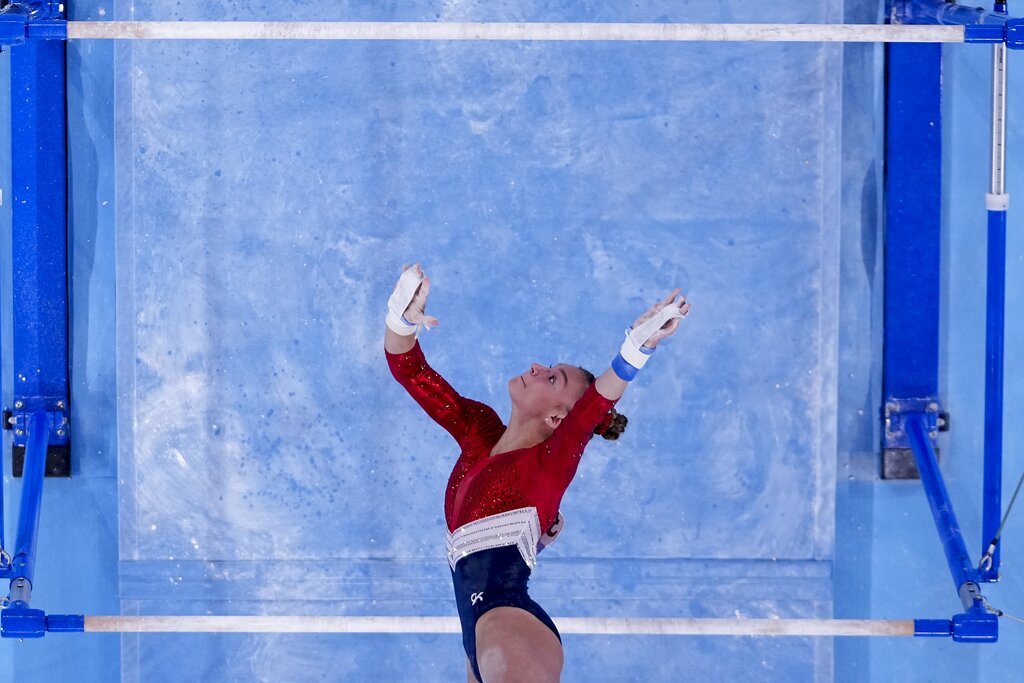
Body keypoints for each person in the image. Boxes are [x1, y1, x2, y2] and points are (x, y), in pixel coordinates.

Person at [384, 263, 690, 683]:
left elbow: (589, 414)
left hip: (506, 623)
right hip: (481, 635)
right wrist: (400, 317)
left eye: (551, 377)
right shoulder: (479, 430)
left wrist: (636, 347)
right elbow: (412, 371)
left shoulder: (551, 461)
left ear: (555, 417)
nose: (533, 367)